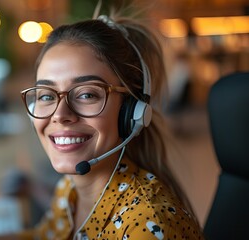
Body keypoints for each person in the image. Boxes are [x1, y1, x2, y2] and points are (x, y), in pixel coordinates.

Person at [17, 4, 205, 240]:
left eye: (87, 94)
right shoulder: (70, 190)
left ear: (131, 111)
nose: (59, 114)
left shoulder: (146, 225)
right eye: (46, 95)